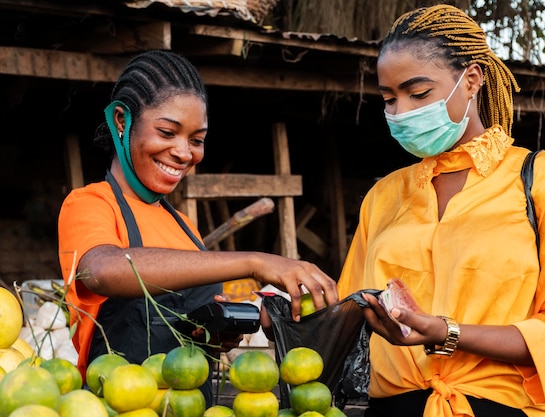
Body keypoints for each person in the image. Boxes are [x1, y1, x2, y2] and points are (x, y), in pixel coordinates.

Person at [336, 5, 545, 417]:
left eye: (418, 93)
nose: (401, 112)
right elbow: (349, 312)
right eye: (389, 99)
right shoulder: (384, 196)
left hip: (505, 408)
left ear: (472, 80)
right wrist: (290, 311)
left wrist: (447, 333)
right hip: (391, 409)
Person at [57, 50, 337, 400]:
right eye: (167, 132)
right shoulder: (91, 203)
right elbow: (102, 271)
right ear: (121, 121)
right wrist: (255, 262)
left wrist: (210, 332)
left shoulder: (184, 226)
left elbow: (179, 335)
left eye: (196, 139)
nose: (183, 152)